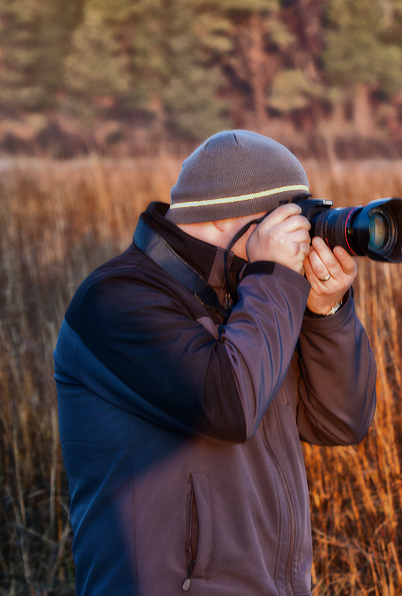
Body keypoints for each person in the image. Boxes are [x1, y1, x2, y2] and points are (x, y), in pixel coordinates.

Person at [54, 130, 377, 596]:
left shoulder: (250, 292)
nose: (302, 237)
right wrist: (274, 280)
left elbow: (341, 421)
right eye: (290, 220)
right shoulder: (116, 302)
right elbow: (227, 407)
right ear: (225, 216)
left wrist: (326, 310)